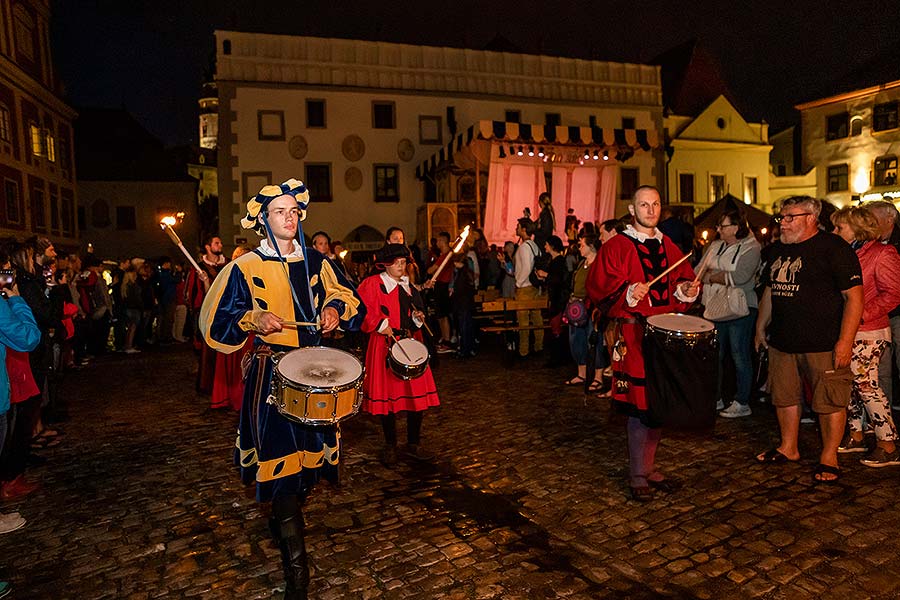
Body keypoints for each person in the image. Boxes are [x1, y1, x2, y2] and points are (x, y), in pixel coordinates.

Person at [200, 179, 363, 599]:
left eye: (294, 211)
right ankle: (297, 571)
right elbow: (218, 319)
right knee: (284, 474)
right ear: (263, 220)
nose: (289, 217)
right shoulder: (245, 267)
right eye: (279, 212)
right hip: (271, 376)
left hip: (317, 374)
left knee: (307, 474)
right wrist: (255, 319)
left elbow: (349, 297)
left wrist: (332, 309)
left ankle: (284, 517)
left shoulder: (316, 260)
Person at [586, 186, 700, 501]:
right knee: (638, 407)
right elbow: (597, 285)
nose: (650, 209)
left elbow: (681, 283)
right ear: (632, 209)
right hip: (633, 336)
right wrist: (625, 291)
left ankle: (648, 468)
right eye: (643, 204)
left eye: (655, 204)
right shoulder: (617, 246)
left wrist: (687, 292)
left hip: (663, 337)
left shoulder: (670, 246)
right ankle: (638, 472)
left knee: (658, 403)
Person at [754, 196, 863, 483]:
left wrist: (845, 341)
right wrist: (760, 327)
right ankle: (788, 447)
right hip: (783, 341)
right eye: (781, 217)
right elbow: (770, 290)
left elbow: (854, 298)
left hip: (823, 341)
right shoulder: (778, 250)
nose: (783, 223)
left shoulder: (834, 248)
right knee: (784, 396)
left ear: (811, 218)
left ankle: (829, 456)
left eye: (790, 217)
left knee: (829, 400)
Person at [358, 244, 439, 465]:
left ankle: (413, 443)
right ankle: (390, 445)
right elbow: (360, 309)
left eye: (404, 263)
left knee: (416, 395)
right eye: (397, 263)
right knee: (388, 397)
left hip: (409, 342)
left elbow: (410, 312)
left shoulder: (407, 285)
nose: (402, 267)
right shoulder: (373, 283)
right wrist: (377, 323)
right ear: (385, 264)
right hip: (384, 344)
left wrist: (417, 317)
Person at [831, 207, 900, 466]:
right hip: (850, 329)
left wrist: (859, 314)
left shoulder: (882, 253)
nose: (835, 232)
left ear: (858, 230)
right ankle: (856, 435)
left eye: (840, 228)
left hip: (870, 330)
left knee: (866, 384)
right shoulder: (846, 254)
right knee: (850, 383)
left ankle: (888, 443)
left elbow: (893, 293)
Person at [700, 207, 761, 418]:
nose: (718, 229)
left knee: (739, 353)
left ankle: (742, 400)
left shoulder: (751, 248)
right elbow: (698, 271)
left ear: (736, 227)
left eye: (722, 225)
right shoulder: (715, 246)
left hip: (740, 309)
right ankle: (716, 397)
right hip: (714, 307)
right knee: (715, 354)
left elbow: (742, 276)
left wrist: (712, 276)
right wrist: (716, 275)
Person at [866, 200, 900, 409]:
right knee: (880, 368)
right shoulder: (868, 243)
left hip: (894, 312)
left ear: (889, 220)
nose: (869, 224)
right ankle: (883, 413)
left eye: (873, 219)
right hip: (879, 315)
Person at [565, 229, 607, 391]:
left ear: (591, 246)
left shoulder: (599, 264)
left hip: (591, 308)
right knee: (576, 341)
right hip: (577, 309)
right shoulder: (582, 263)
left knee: (594, 341)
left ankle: (598, 377)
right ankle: (581, 373)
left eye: (582, 245)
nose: (579, 247)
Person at [186, 236, 227, 395]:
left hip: (225, 313)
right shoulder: (198, 268)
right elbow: (193, 293)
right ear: (208, 247)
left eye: (220, 242)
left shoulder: (227, 264)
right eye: (217, 243)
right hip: (207, 313)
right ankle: (208, 384)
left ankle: (223, 387)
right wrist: (204, 281)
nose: (221, 245)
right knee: (207, 350)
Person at [534, 235, 568, 366]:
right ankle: (555, 357)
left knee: (556, 329)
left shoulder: (559, 261)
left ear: (552, 246)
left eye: (547, 244)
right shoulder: (552, 260)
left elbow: (559, 279)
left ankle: (557, 358)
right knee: (554, 328)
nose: (545, 246)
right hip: (554, 298)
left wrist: (546, 275)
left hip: (558, 299)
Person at [514, 218, 544, 357]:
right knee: (537, 318)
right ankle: (538, 346)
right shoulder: (534, 245)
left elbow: (526, 267)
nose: (516, 229)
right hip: (534, 287)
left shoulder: (524, 247)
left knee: (523, 323)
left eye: (518, 226)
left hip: (525, 288)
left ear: (524, 229)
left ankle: (524, 350)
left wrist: (519, 282)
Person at [425, 232, 454, 353]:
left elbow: (432, 270)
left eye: (438, 241)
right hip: (440, 286)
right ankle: (444, 338)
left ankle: (447, 341)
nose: (436, 243)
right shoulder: (443, 255)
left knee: (443, 314)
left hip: (443, 285)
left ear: (442, 241)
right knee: (440, 315)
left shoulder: (446, 256)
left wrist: (431, 267)